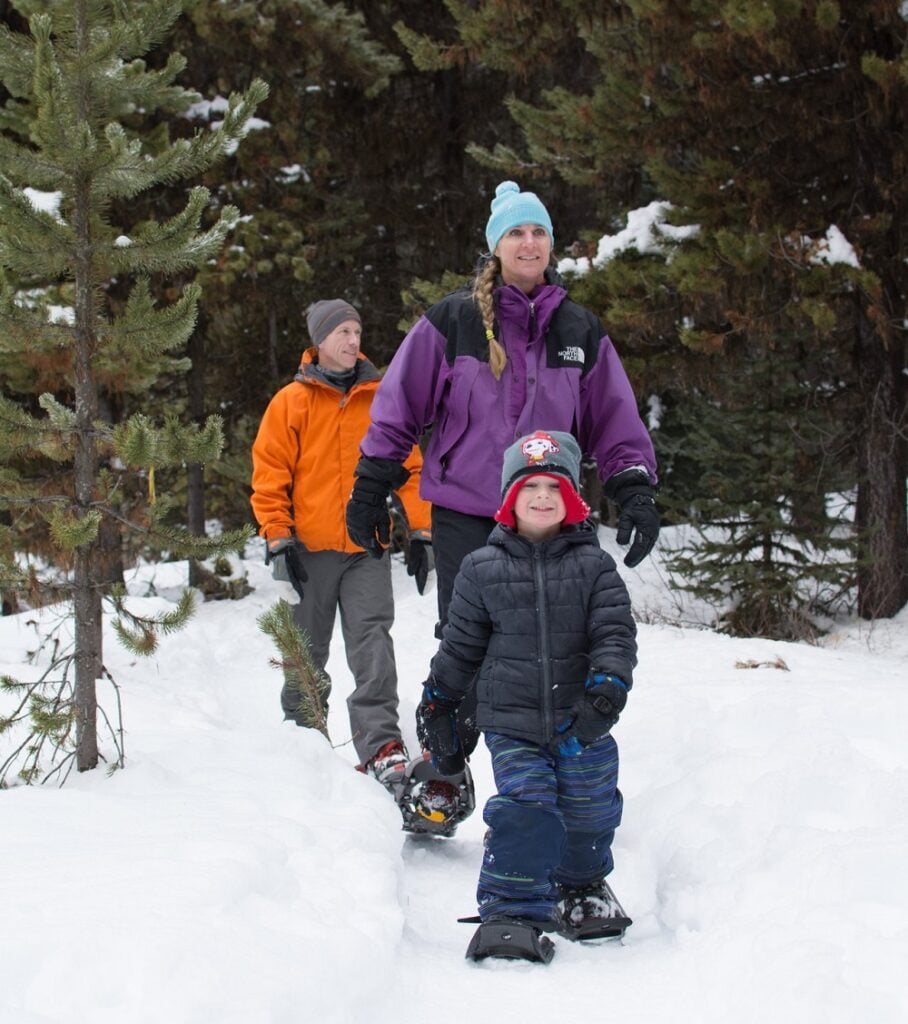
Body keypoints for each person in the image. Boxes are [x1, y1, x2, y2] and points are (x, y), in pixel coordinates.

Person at [345, 179, 658, 752]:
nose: (529, 242)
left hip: (553, 514)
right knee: (467, 642)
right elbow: (399, 404)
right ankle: (448, 771)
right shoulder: (454, 321)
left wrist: (633, 486)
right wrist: (372, 481)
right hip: (470, 511)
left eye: (539, 231)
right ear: (497, 246)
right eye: (516, 232)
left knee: (561, 644)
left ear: (551, 246)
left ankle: (555, 769)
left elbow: (614, 419)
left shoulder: (579, 330)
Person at [416, 430, 637, 956]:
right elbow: (461, 647)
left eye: (554, 486)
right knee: (526, 807)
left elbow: (614, 635)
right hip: (512, 724)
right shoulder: (480, 569)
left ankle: (581, 886)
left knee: (589, 807)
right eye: (530, 485)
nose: (542, 496)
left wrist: (606, 689)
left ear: (573, 499)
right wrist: (439, 699)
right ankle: (511, 908)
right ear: (510, 498)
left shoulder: (594, 567)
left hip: (582, 720)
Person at [250, 299, 432, 790]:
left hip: (366, 550)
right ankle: (303, 737)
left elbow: (411, 469)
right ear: (320, 340)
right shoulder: (291, 401)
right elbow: (270, 474)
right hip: (308, 551)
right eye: (343, 332)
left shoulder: (382, 398)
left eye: (357, 331)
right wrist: (278, 537)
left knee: (373, 644)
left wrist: (421, 530)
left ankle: (381, 745)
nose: (353, 341)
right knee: (306, 650)